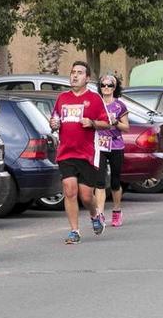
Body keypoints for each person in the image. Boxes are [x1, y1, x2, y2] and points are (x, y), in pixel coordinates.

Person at [49, 61, 110, 244]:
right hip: (66, 152)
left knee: (85, 196)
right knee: (69, 191)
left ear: (87, 78)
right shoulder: (62, 98)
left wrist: (92, 123)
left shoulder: (95, 99)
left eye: (79, 73)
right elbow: (55, 119)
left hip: (87, 153)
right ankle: (74, 231)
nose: (75, 76)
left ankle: (95, 215)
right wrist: (53, 123)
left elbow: (106, 123)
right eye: (73, 72)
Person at [93, 73, 130, 228]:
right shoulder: (96, 103)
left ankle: (116, 210)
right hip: (100, 145)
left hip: (115, 145)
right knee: (100, 181)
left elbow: (126, 128)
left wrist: (115, 122)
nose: (106, 88)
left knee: (115, 181)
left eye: (110, 85)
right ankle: (100, 214)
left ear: (115, 88)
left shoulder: (119, 105)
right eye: (103, 85)